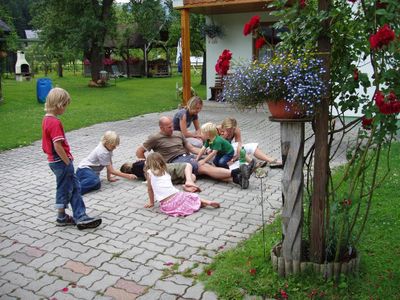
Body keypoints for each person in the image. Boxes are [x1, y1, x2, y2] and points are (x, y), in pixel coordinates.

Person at [41, 87, 102, 230]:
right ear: (59, 105)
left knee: (67, 188)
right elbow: (57, 145)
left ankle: (63, 217)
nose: (65, 109)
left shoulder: (46, 119)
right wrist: (67, 162)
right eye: (65, 106)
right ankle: (80, 217)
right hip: (61, 162)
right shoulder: (55, 122)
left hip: (53, 162)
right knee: (72, 188)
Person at [136, 116, 252, 189]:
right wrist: (148, 165)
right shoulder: (155, 138)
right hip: (175, 162)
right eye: (168, 127)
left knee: (208, 168)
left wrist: (206, 153)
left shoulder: (177, 134)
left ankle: (238, 179)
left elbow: (191, 148)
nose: (172, 129)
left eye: (172, 126)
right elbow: (139, 151)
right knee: (204, 167)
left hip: (187, 157)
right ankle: (237, 172)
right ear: (161, 128)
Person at [144, 152, 220, 216]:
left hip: (167, 205)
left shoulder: (149, 172)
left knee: (185, 200)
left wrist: (151, 202)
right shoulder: (165, 170)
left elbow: (150, 189)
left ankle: (199, 203)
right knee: (190, 196)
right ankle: (206, 201)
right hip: (177, 196)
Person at [76, 131, 136, 195]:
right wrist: (128, 176)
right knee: (94, 181)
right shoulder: (102, 152)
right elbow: (112, 170)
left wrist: (109, 178)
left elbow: (109, 164)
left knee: (97, 185)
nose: (115, 148)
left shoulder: (107, 148)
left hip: (91, 172)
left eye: (115, 146)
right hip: (84, 169)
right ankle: (74, 192)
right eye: (113, 146)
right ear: (106, 143)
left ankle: (80, 181)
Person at [218, 117, 283, 169]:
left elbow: (238, 144)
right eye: (227, 130)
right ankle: (254, 164)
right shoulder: (217, 130)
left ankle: (272, 161)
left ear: (234, 128)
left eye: (231, 131)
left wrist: (237, 156)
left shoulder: (236, 130)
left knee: (250, 147)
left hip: (231, 150)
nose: (229, 132)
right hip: (221, 152)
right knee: (238, 151)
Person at [120, 160, 201, 193]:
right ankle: (188, 182)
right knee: (187, 165)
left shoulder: (139, 175)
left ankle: (186, 185)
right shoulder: (136, 165)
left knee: (192, 175)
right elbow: (147, 163)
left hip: (166, 178)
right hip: (164, 169)